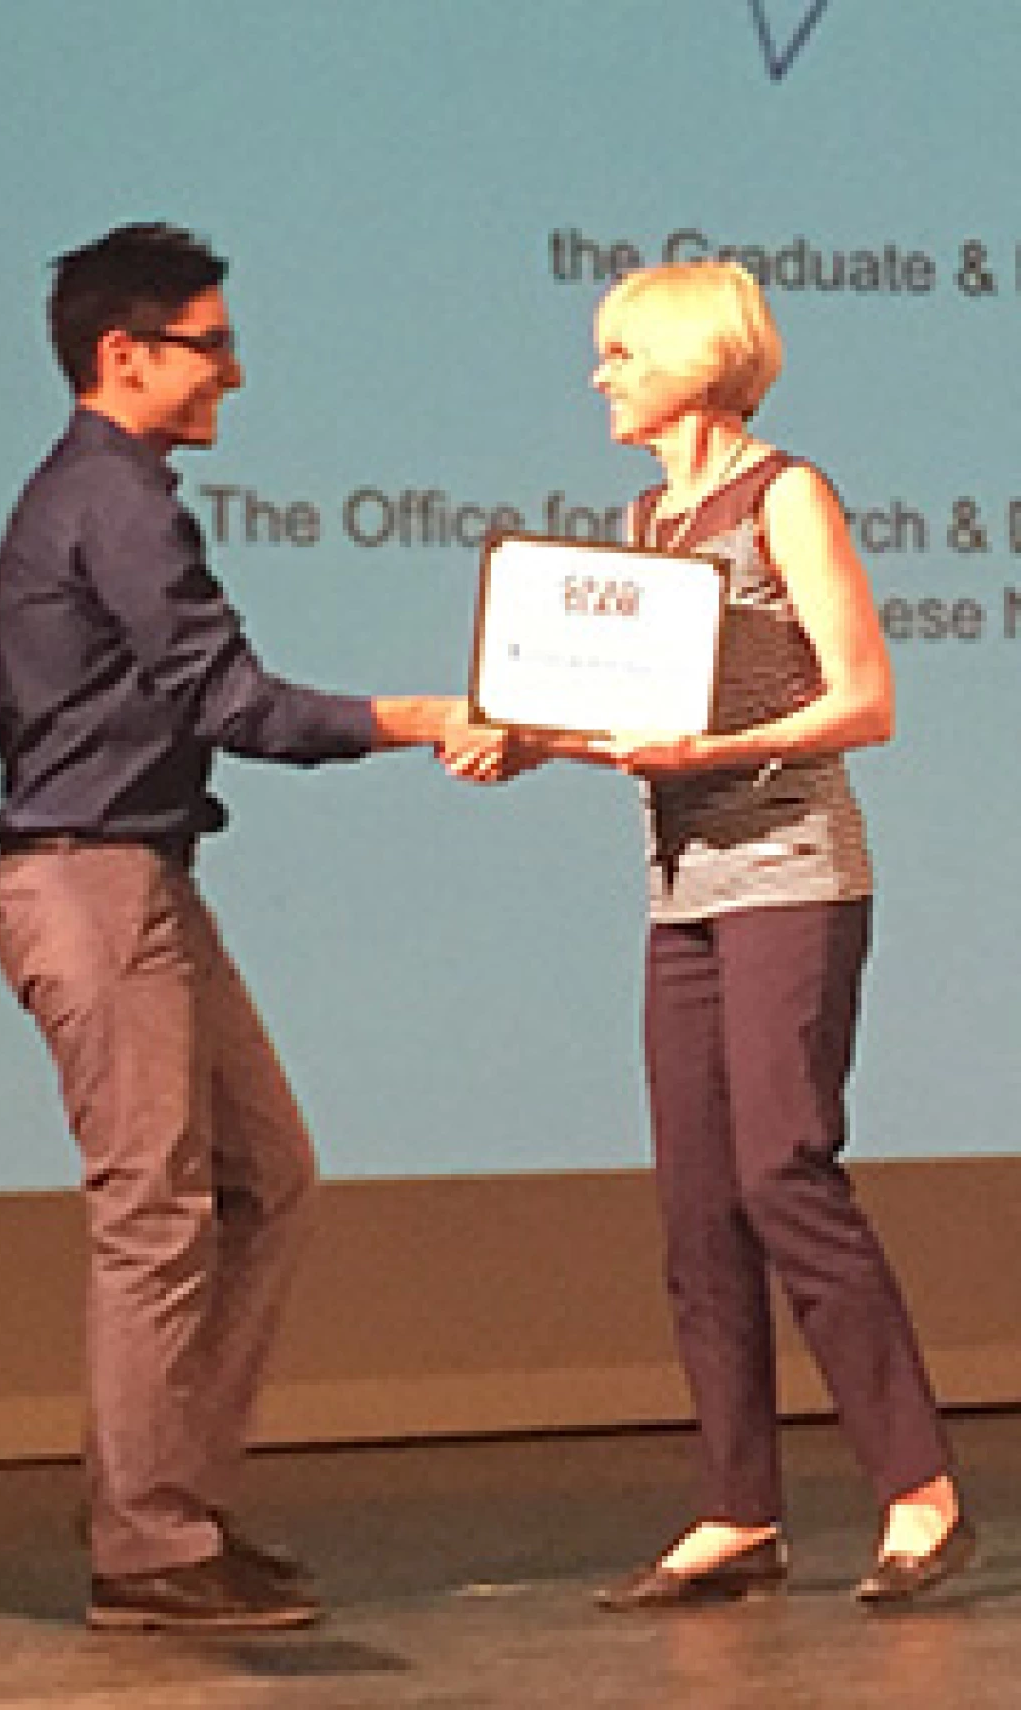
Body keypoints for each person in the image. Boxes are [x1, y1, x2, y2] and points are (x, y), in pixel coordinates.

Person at [0, 222, 496, 1632]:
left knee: (269, 1174)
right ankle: (146, 1545)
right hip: (92, 884)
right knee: (156, 1213)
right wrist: (422, 715)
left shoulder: (109, 494)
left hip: (142, 881)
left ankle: (175, 1504)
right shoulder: (118, 500)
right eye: (212, 345)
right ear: (123, 354)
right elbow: (233, 703)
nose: (237, 373)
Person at [450, 259, 975, 1606]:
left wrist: (718, 743)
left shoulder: (785, 492)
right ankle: (738, 1506)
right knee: (697, 1202)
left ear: (695, 355)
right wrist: (535, 742)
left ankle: (920, 1489)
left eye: (621, 349)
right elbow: (648, 724)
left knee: (784, 1170)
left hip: (792, 872)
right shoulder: (648, 515)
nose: (601, 373)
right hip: (684, 886)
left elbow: (867, 699)